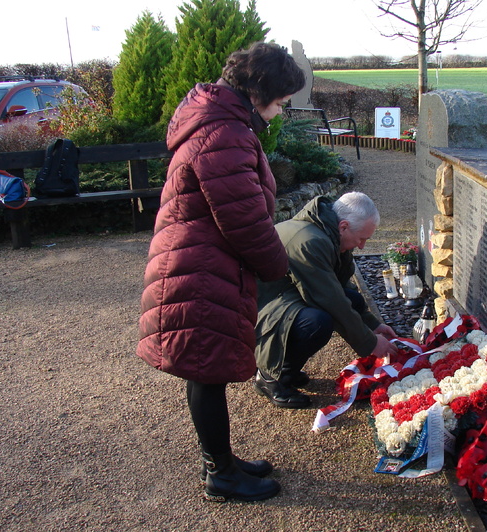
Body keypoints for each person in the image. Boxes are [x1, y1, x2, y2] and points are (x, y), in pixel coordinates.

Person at [136, 42, 305, 503]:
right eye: (281, 101)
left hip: (199, 259)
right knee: (205, 370)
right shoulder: (224, 133)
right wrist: (279, 268)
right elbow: (244, 219)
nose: (280, 110)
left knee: (204, 368)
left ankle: (223, 462)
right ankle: (220, 475)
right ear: (258, 91)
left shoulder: (220, 122)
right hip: (199, 266)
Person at [254, 191, 398, 408]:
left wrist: (373, 325)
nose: (362, 247)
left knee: (353, 298)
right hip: (263, 307)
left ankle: (287, 369)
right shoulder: (310, 242)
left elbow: (339, 288)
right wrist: (370, 343)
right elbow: (330, 300)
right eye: (361, 239)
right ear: (344, 226)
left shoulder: (327, 232)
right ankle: (271, 377)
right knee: (317, 323)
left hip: (286, 294)